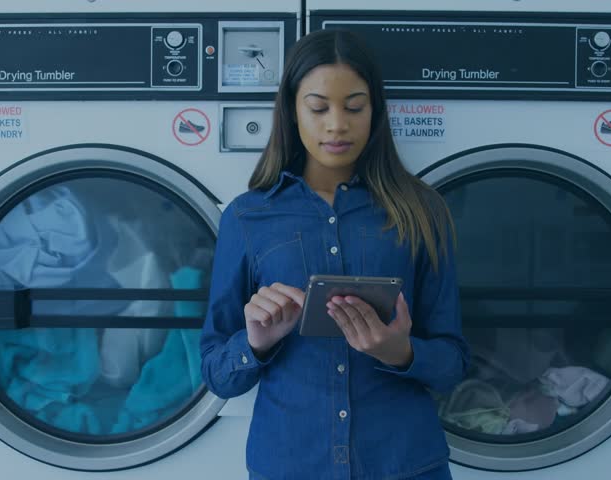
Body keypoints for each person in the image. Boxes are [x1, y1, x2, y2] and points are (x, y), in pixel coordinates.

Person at [199, 29, 469, 480]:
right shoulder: (247, 218)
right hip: (290, 466)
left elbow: (452, 365)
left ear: (375, 111)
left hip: (405, 465)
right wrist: (256, 343)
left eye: (355, 107)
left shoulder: (423, 212)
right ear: (290, 109)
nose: (337, 124)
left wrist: (399, 350)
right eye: (319, 107)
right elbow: (217, 374)